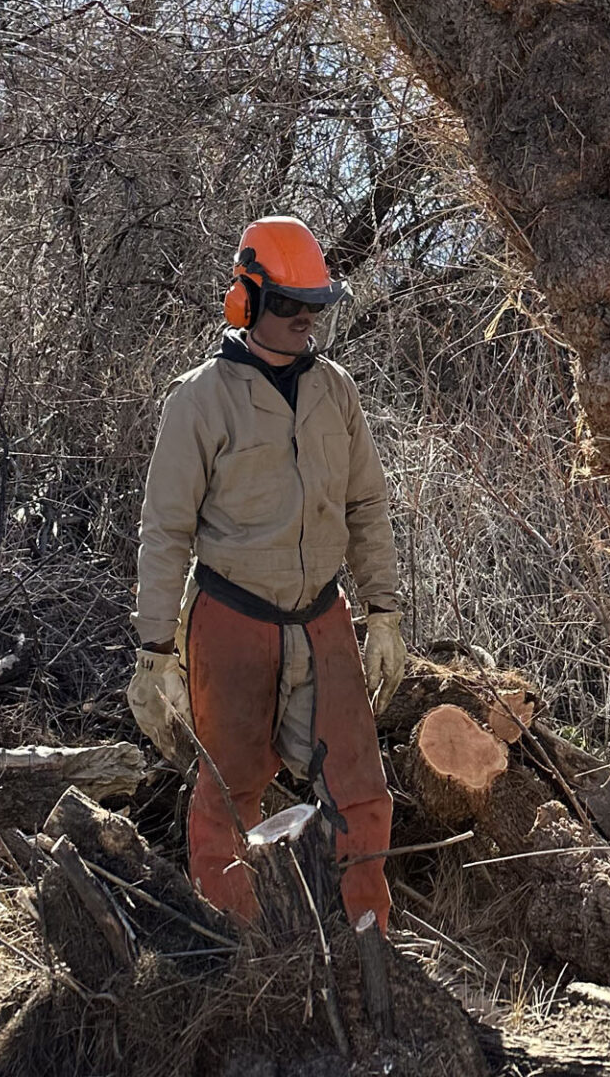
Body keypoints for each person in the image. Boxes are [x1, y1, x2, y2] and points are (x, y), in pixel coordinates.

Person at [128, 216, 408, 931]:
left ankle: (365, 952)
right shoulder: (200, 397)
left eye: (313, 305)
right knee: (228, 796)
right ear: (245, 300)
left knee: (361, 793)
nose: (303, 320)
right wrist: (154, 651)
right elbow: (165, 529)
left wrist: (385, 611)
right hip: (231, 617)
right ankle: (240, 957)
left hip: (322, 614)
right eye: (287, 304)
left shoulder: (335, 391)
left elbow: (367, 503)